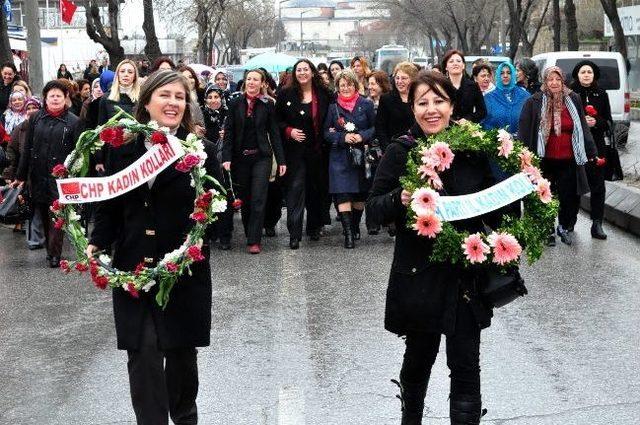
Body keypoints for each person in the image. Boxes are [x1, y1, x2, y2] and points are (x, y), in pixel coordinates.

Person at [366, 70, 497, 425]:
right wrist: (401, 197)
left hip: (466, 277)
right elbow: (373, 210)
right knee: (419, 359)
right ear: (412, 107)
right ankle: (411, 417)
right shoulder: (400, 151)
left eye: (439, 101)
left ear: (452, 105)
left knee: (466, 364)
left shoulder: (473, 148)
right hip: (419, 274)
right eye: (422, 102)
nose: (431, 109)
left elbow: (495, 206)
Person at [86, 70, 216, 425]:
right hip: (133, 268)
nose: (173, 103)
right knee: (142, 356)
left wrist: (201, 230)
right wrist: (97, 241)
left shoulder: (199, 150)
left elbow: (220, 201)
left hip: (181, 271)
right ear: (146, 101)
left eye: (179, 97)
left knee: (180, 357)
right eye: (165, 95)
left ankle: (185, 417)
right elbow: (110, 204)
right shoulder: (123, 148)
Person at [518, 66, 597, 246]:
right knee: (545, 196)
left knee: (568, 196)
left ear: (563, 81)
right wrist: (523, 154)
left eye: (558, 79)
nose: (554, 83)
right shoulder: (534, 101)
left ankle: (564, 227)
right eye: (550, 80)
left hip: (569, 158)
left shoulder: (573, 99)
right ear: (545, 82)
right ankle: (547, 230)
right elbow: (524, 128)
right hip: (543, 159)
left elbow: (582, 127)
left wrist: (591, 151)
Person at [14, 80, 82, 267]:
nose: (55, 98)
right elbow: (27, 148)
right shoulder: (36, 118)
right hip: (38, 174)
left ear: (65, 98)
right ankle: (50, 249)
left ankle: (54, 253)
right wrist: (20, 176)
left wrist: (75, 176)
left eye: (59, 95)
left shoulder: (74, 121)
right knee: (43, 213)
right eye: (51, 95)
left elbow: (78, 153)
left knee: (57, 214)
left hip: (60, 178)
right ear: (45, 98)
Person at [222, 69, 286, 254]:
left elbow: (274, 133)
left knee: (259, 197)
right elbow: (229, 133)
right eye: (248, 79)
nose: (251, 82)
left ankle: (254, 240)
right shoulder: (234, 103)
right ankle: (249, 229)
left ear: (262, 83)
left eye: (255, 79)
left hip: (262, 157)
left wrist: (281, 160)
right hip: (240, 157)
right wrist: (226, 157)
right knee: (246, 199)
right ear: (245, 82)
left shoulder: (267, 105)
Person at [276, 59, 332, 249]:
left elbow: (331, 118)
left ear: (312, 72)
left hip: (318, 151)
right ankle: (294, 233)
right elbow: (277, 121)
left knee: (316, 191)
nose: (302, 73)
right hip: (294, 153)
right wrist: (289, 130)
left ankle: (314, 226)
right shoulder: (285, 94)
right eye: (298, 70)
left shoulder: (324, 94)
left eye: (305, 69)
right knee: (295, 191)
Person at [324, 69, 375, 248]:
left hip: (360, 156)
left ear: (355, 85)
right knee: (343, 193)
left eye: (349, 84)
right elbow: (325, 133)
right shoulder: (332, 108)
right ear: (337, 87)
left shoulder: (366, 104)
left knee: (360, 195)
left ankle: (355, 227)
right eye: (342, 85)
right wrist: (341, 137)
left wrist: (362, 136)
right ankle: (348, 235)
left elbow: (374, 127)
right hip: (339, 156)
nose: (345, 88)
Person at [570, 60, 614, 240]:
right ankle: (569, 222)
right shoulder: (571, 94)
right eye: (583, 72)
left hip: (596, 147)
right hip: (576, 146)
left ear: (594, 75)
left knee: (598, 187)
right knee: (574, 185)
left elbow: (609, 122)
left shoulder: (602, 94)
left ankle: (597, 224)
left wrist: (597, 122)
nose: (586, 75)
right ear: (577, 75)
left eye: (589, 72)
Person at [3, 97, 44, 246]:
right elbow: (12, 153)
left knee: (47, 207)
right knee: (33, 207)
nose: (31, 111)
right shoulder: (20, 129)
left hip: (46, 173)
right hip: (27, 175)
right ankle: (35, 240)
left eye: (35, 107)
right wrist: (10, 174)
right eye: (28, 108)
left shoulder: (46, 125)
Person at [375, 62, 418, 152]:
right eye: (397, 78)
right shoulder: (386, 99)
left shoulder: (420, 98)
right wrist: (387, 149)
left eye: (404, 78)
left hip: (418, 149)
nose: (399, 81)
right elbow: (380, 127)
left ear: (413, 79)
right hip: (393, 149)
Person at [481, 62, 530, 134]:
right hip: (496, 142)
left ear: (513, 74)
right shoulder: (489, 98)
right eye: (502, 73)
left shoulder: (524, 96)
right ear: (498, 75)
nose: (505, 76)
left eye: (509, 73)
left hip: (521, 142)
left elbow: (530, 121)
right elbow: (485, 123)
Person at [442, 50, 486, 123]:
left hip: (467, 130)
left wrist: (468, 119)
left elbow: (482, 111)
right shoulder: (441, 86)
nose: (455, 63)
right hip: (445, 129)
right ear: (446, 67)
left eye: (458, 61)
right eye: (451, 61)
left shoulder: (473, 86)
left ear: (463, 65)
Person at [98, 59, 140, 125]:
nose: (126, 74)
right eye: (122, 71)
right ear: (117, 75)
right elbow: (101, 126)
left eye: (130, 72)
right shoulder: (106, 97)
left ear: (135, 76)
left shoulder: (141, 97)